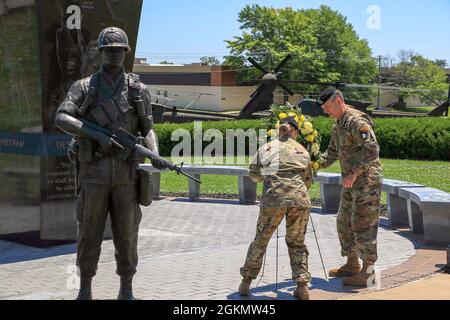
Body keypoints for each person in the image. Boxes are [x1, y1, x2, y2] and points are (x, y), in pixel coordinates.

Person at [55, 27, 165, 300]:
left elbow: (148, 127)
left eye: (119, 49)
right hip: (93, 173)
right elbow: (62, 117)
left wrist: (154, 153)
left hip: (126, 175)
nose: (114, 53)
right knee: (88, 234)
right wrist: (96, 134)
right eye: (109, 49)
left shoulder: (138, 90)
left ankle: (126, 287)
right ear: (101, 52)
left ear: (125, 53)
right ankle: (84, 289)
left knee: (127, 235)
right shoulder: (83, 87)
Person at [239, 117, 313, 300]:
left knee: (261, 239)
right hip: (299, 199)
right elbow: (308, 178)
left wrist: (270, 175)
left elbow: (253, 174)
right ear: (295, 132)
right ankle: (302, 286)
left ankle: (246, 283)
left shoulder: (267, 148)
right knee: (297, 242)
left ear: (279, 131)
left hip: (274, 199)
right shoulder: (302, 150)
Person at [317, 87, 383, 287]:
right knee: (344, 221)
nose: (325, 111)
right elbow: (331, 153)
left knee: (363, 225)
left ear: (338, 101)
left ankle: (368, 273)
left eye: (327, 107)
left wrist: (353, 172)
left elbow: (372, 150)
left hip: (366, 181)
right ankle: (352, 264)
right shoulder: (338, 124)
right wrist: (310, 162)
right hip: (351, 182)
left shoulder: (357, 122)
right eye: (323, 108)